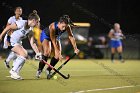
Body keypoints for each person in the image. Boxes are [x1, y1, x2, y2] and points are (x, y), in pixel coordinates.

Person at [0, 10, 41, 80]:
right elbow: (8, 27)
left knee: (24, 56)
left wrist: (37, 53)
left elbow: (32, 43)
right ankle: (13, 71)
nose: (37, 24)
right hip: (9, 40)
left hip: (17, 42)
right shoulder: (22, 23)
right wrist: (1, 36)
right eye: (37, 22)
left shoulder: (31, 30)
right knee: (24, 53)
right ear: (33, 20)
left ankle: (16, 73)